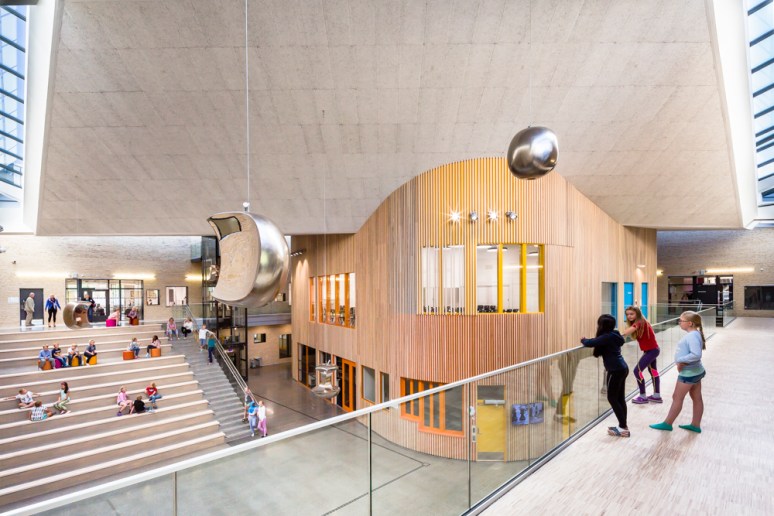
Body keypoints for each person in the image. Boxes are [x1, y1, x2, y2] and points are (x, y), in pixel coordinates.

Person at [650, 311, 707, 433]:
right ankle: (695, 425)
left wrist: (680, 361)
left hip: (689, 373)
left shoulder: (691, 336)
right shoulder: (695, 334)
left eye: (681, 320)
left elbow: (696, 354)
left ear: (690, 323)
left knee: (677, 397)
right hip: (696, 371)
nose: (679, 322)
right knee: (697, 398)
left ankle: (667, 423)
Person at [581, 314, 629, 438]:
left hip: (615, 370)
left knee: (612, 398)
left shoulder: (606, 337)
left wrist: (583, 340)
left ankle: (623, 427)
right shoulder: (614, 334)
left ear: (602, 325)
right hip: (622, 367)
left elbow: (590, 343)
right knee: (619, 398)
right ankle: (623, 426)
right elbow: (598, 341)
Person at [620, 306, 662, 404]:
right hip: (652, 350)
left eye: (631, 314)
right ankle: (657, 395)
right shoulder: (641, 322)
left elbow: (626, 332)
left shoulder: (640, 322)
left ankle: (643, 396)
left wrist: (612, 336)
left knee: (637, 371)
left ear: (637, 314)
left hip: (652, 351)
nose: (629, 316)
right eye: (627, 314)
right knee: (653, 372)